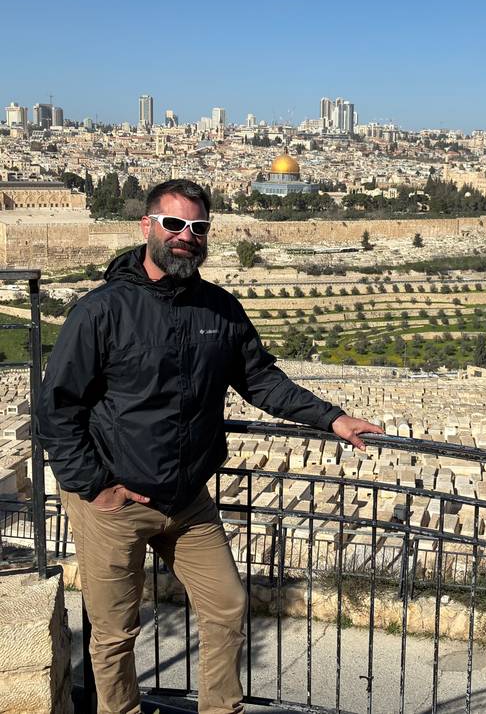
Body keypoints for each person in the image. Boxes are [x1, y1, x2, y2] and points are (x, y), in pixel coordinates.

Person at [37, 178, 379, 714]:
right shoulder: (102, 310)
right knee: (114, 634)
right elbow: (57, 408)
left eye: (197, 228)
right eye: (174, 224)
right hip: (114, 502)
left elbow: (261, 380)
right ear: (147, 226)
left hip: (187, 501)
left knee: (226, 606)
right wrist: (96, 488)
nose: (185, 236)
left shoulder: (219, 308)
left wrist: (331, 418)